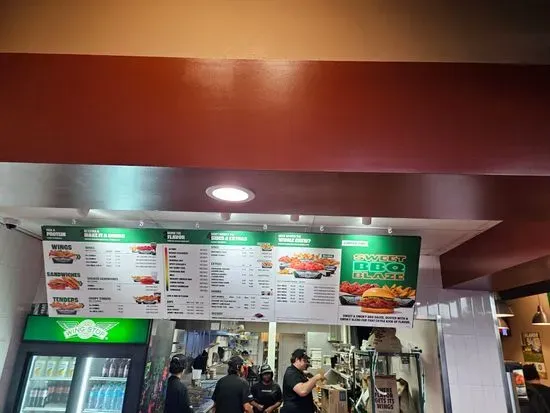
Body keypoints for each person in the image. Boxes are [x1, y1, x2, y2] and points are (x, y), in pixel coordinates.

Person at [281, 349, 324, 413]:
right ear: (297, 360)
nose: (306, 363)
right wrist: (315, 378)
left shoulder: (298, 372)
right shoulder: (291, 373)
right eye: (304, 360)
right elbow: (302, 391)